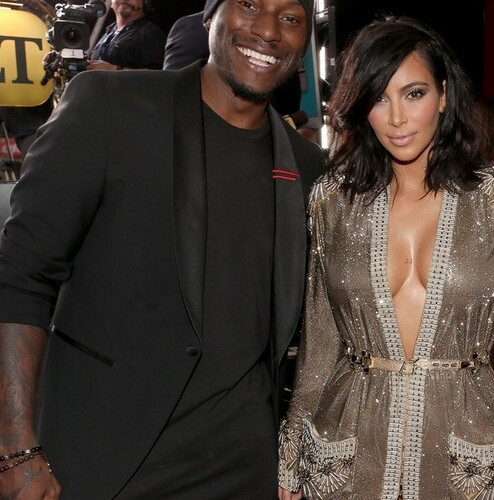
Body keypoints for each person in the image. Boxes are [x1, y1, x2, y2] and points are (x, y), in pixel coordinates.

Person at [0, 0, 323, 499]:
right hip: (102, 461)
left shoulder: (308, 167)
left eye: (290, 18)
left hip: (244, 469)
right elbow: (20, 276)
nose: (268, 30)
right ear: (208, 17)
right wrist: (16, 447)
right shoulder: (110, 106)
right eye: (249, 4)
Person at [278, 15, 494, 500]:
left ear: (443, 95)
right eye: (378, 97)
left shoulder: (490, 201)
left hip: (466, 452)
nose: (396, 118)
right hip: (347, 448)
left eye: (413, 94)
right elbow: (319, 341)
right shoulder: (333, 200)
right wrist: (291, 458)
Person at [163, 9, 304, 119]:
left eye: (290, 19)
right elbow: (176, 94)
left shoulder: (283, 35)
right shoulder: (192, 28)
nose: (268, 33)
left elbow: (289, 99)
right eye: (247, 5)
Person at [87, 0, 165, 71]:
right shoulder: (109, 31)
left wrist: (114, 69)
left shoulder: (150, 33)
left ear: (144, 3)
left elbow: (156, 74)